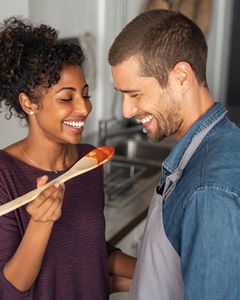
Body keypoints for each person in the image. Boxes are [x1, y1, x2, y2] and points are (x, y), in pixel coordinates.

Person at [0, 17, 135, 299]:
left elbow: (89, 250)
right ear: (29, 103)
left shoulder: (89, 161)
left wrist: (158, 272)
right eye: (66, 98)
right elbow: (9, 290)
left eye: (85, 94)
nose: (84, 108)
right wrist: (40, 223)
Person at [108, 9, 240, 300]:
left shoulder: (208, 190)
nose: (126, 111)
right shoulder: (216, 143)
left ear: (181, 76)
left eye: (135, 94)